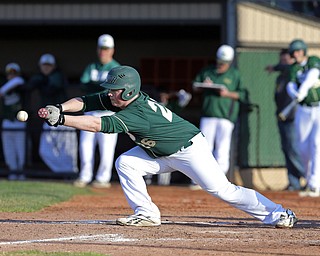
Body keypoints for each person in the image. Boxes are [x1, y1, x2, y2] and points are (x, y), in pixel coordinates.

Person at [38, 65, 297, 228]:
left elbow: (97, 125)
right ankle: (147, 213)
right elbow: (85, 101)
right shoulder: (120, 100)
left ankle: (278, 213)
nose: (109, 94)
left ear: (128, 92)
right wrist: (60, 107)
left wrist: (61, 120)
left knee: (223, 190)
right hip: (159, 151)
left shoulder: (135, 113)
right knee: (125, 162)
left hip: (188, 150)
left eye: (114, 91)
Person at [190, 45, 245, 189]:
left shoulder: (235, 74)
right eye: (220, 61)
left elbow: (242, 94)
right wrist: (204, 86)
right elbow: (195, 86)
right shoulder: (208, 71)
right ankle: (200, 180)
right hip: (208, 114)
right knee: (203, 147)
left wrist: (227, 93)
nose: (221, 65)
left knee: (222, 149)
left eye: (224, 62)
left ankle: (219, 182)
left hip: (226, 117)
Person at [73, 34, 120, 188]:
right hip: (91, 111)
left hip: (108, 113)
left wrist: (96, 86)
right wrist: (99, 86)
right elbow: (84, 84)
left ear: (112, 50)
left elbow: (110, 89)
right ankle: (85, 176)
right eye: (101, 48)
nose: (103, 52)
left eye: (106, 49)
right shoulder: (91, 66)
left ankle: (102, 178)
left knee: (107, 148)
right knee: (85, 146)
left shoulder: (116, 67)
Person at [27, 53, 78, 173]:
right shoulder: (39, 77)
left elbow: (51, 88)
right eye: (44, 65)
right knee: (44, 151)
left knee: (68, 152)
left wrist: (41, 81)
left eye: (49, 65)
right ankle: (62, 173)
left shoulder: (57, 76)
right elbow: (28, 86)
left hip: (64, 119)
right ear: (40, 66)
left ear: (54, 66)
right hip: (49, 120)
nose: (46, 67)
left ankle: (70, 174)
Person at [265, 49, 304, 191]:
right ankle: (294, 183)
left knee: (294, 149)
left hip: (293, 117)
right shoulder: (280, 78)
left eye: (286, 60)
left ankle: (311, 179)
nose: (283, 64)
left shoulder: (293, 73)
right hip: (281, 117)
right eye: (281, 61)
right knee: (286, 149)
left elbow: (289, 68)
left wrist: (274, 67)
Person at [286, 39, 320, 197]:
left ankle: (315, 183)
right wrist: (295, 94)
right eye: (294, 52)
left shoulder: (313, 61)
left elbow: (313, 76)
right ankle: (308, 181)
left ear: (303, 51)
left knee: (316, 143)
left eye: (298, 51)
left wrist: (303, 90)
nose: (296, 55)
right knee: (302, 148)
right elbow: (290, 85)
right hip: (303, 110)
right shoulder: (294, 68)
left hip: (318, 107)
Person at [0, 63, 26, 180]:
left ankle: (21, 172)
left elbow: (18, 81)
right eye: (10, 73)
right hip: (7, 121)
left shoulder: (20, 83)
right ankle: (13, 172)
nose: (12, 76)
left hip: (19, 122)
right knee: (8, 149)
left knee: (20, 149)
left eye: (14, 73)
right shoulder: (4, 85)